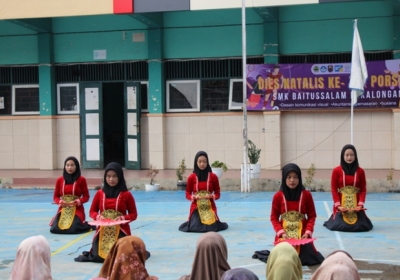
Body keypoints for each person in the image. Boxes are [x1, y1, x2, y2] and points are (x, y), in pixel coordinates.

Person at [74, 162, 138, 263]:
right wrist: (98, 216)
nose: (111, 179)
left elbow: (133, 214)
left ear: (120, 177)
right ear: (105, 177)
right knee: (98, 257)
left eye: (114, 176)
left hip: (121, 230)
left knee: (120, 257)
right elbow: (92, 211)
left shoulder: (127, 195)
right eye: (108, 176)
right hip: (103, 230)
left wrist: (122, 218)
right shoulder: (100, 193)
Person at [270, 163, 324, 265]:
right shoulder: (278, 196)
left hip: (302, 236)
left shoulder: (307, 195)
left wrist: (307, 233)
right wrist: (281, 233)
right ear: (284, 178)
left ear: (299, 179)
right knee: (282, 260)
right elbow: (274, 218)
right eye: (289, 177)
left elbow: (312, 216)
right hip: (284, 235)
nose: (292, 180)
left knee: (308, 258)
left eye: (295, 177)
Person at [323, 144, 373, 232]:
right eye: (347, 155)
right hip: (342, 206)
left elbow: (363, 189)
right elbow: (334, 190)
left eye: (352, 155)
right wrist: (338, 206)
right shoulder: (336, 171)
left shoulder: (360, 171)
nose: (349, 157)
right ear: (343, 156)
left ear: (355, 156)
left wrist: (360, 205)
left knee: (362, 226)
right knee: (340, 226)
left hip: (356, 205)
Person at [178, 151, 228, 232]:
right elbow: (187, 193)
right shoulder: (191, 177)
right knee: (195, 227)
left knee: (212, 227)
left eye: (204, 161)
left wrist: (212, 196)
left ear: (207, 162)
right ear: (196, 162)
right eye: (200, 161)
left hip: (209, 207)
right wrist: (194, 197)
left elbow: (217, 193)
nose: (202, 164)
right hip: (196, 207)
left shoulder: (213, 177)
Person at [49, 156, 93, 234]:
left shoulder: (81, 180)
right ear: (64, 166)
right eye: (67, 165)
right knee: (55, 229)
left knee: (73, 229)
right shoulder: (60, 180)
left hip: (77, 210)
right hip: (63, 210)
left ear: (76, 166)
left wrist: (79, 201)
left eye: (72, 165)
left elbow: (86, 196)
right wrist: (60, 202)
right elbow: (55, 197)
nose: (70, 167)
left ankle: (86, 224)